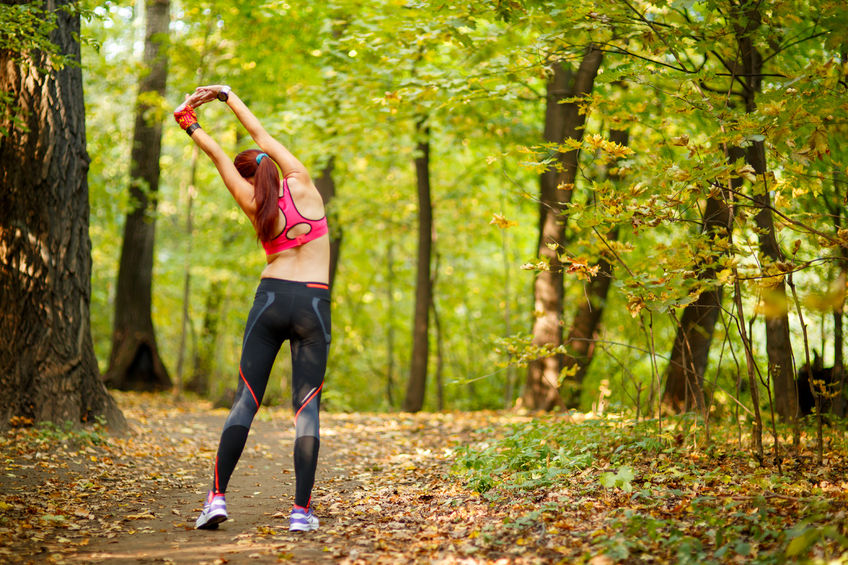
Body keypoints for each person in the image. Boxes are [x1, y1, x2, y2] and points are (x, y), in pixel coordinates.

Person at [174, 85, 331, 532]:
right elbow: (259, 133)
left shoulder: (253, 202)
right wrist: (226, 94)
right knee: (307, 408)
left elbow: (217, 155)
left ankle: (217, 499)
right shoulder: (303, 183)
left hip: (271, 299)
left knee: (247, 399)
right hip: (314, 304)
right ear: (274, 168)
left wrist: (187, 119)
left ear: (248, 180)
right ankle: (300, 513)